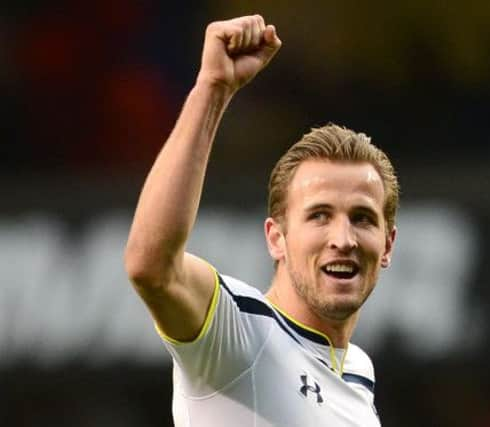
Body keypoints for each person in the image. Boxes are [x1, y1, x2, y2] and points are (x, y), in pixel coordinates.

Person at [125, 15, 398, 427]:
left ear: (388, 246)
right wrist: (212, 91)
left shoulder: (358, 373)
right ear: (277, 238)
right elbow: (152, 267)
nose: (343, 239)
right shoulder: (240, 333)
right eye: (319, 215)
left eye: (361, 218)